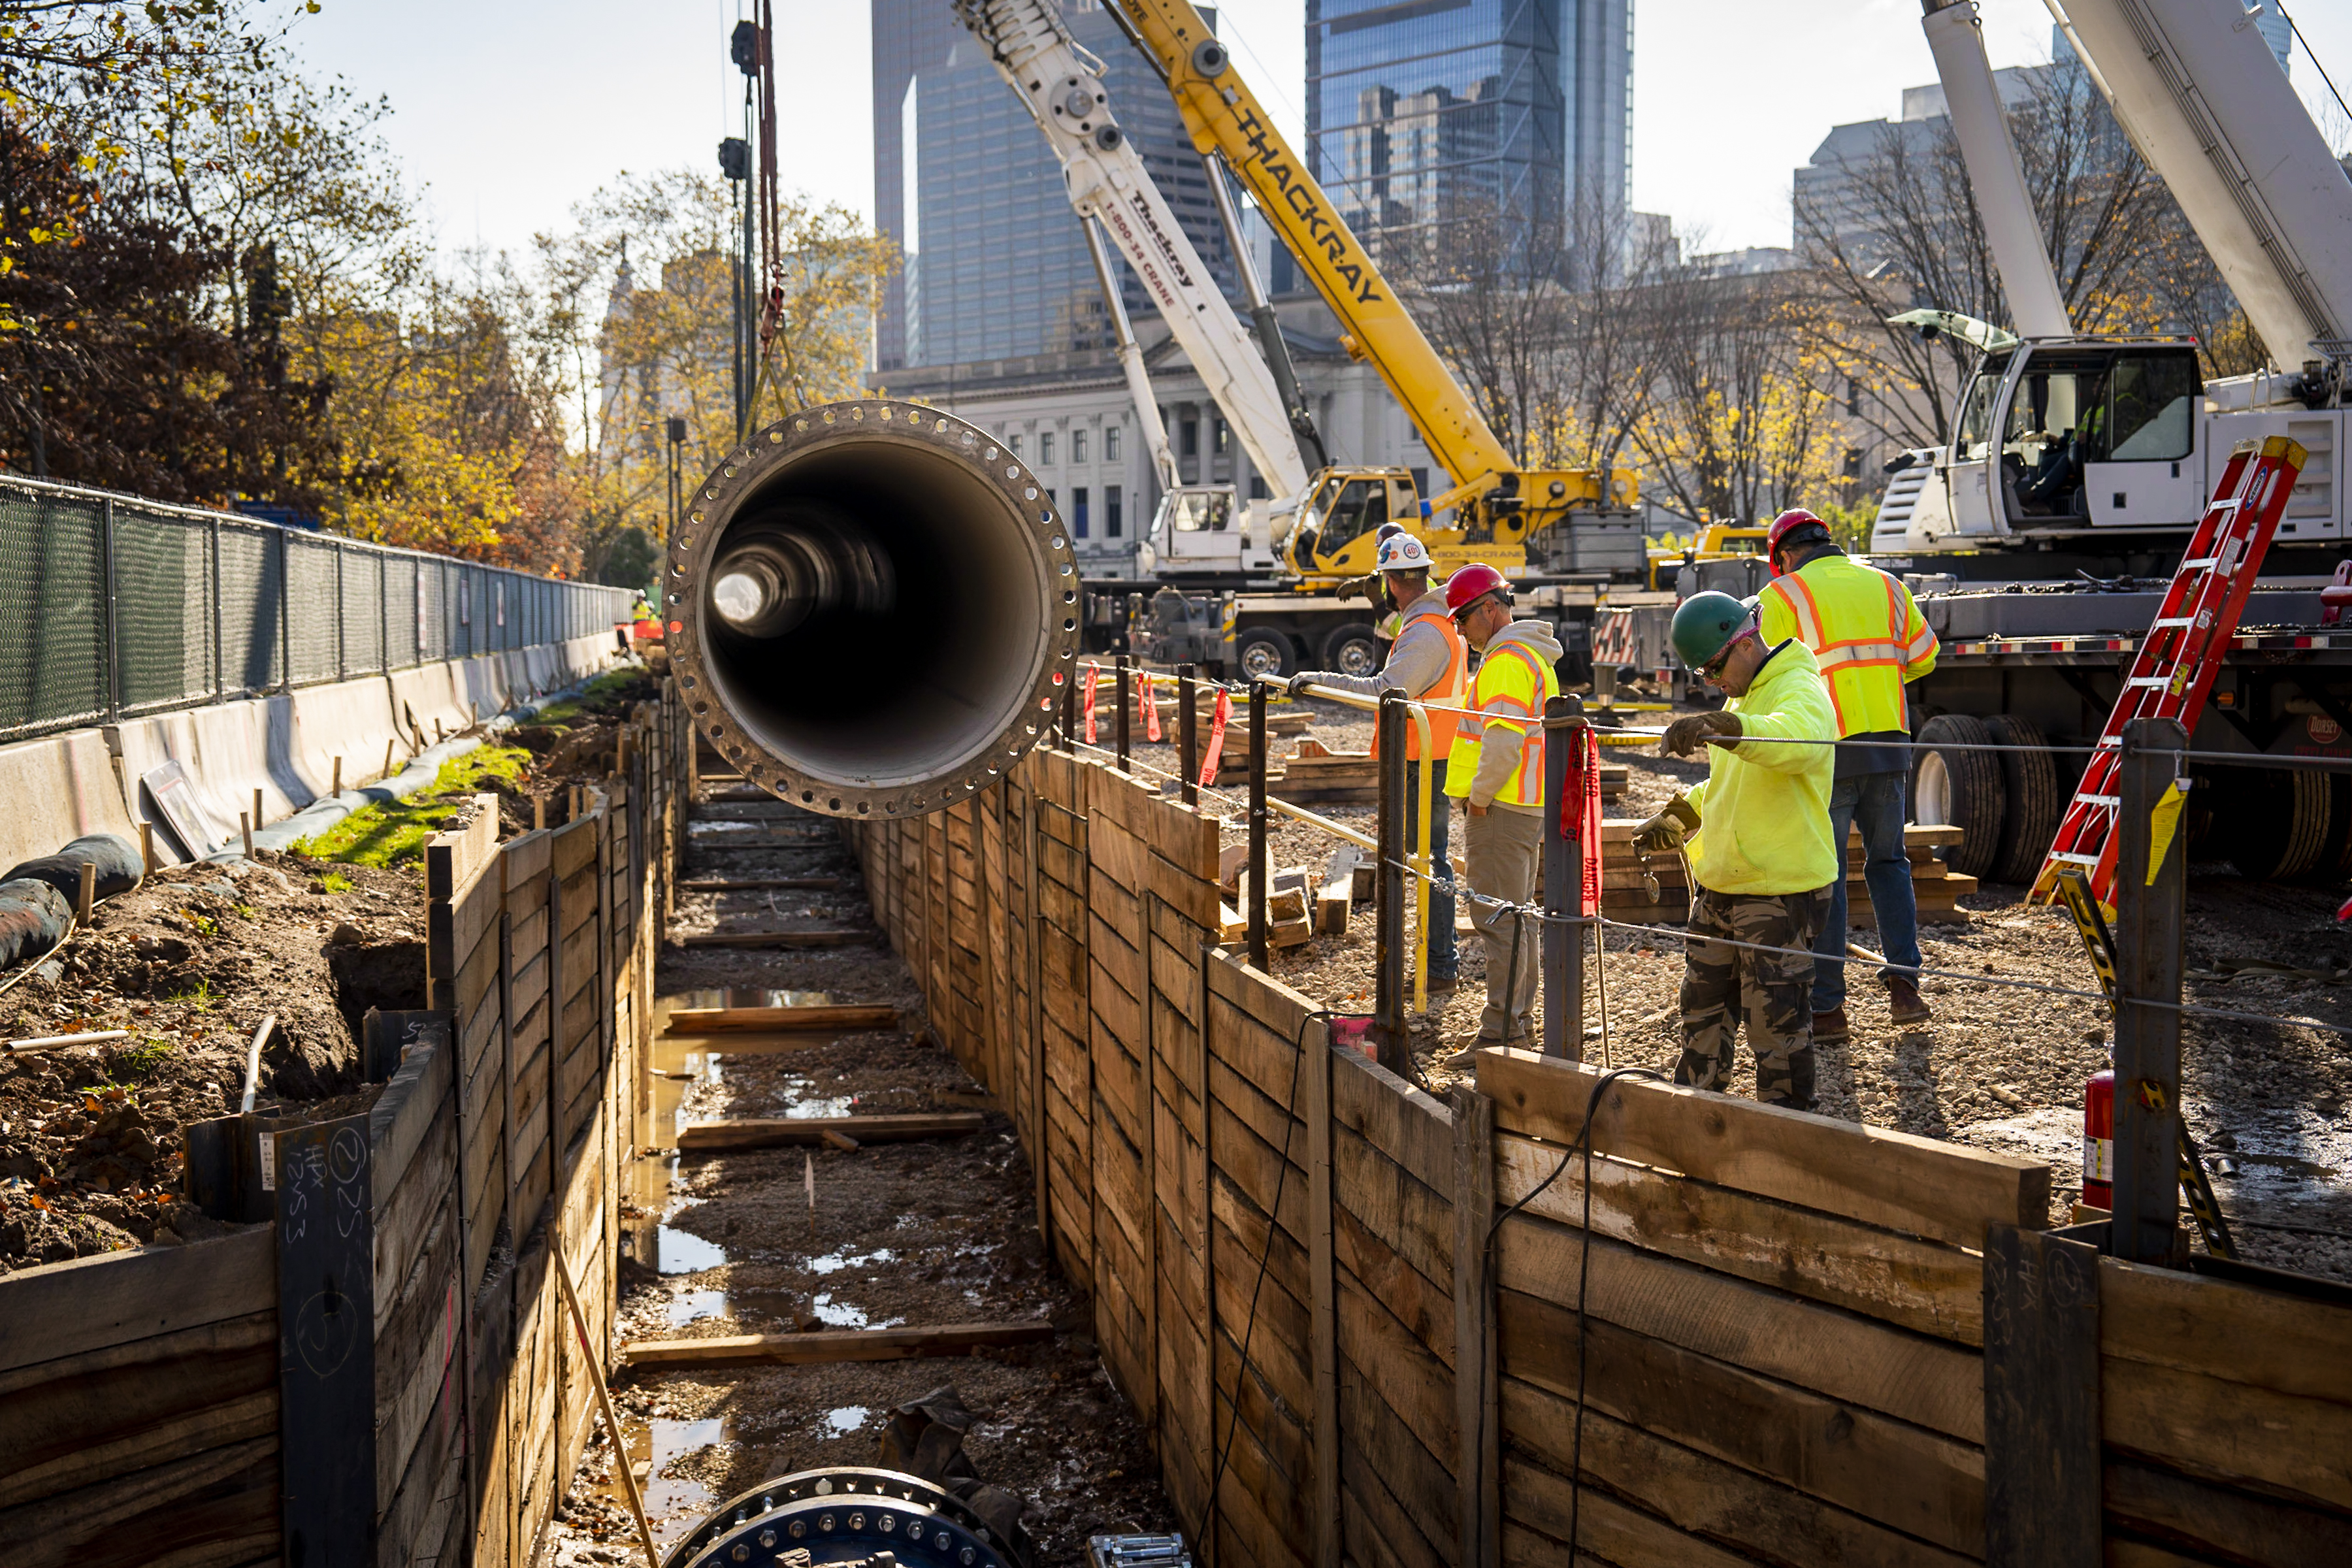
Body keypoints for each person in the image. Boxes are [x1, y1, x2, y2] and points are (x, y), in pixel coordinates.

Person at [1635, 591, 1838, 1111]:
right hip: (1723, 888)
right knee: (1701, 1017)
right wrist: (1681, 815)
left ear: (1744, 642)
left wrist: (1730, 728)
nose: (1712, 681)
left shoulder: (1799, 687)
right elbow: (1729, 785)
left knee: (1777, 1034)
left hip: (1779, 893)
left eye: (1713, 667)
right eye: (1703, 673)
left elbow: (1797, 741)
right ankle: (1696, 1123)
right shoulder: (1741, 699)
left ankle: (1788, 1142)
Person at [1756, 509, 1938, 1041]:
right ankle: (1906, 989)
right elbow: (1925, 658)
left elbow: (1764, 678)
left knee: (1827, 876)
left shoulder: (1784, 595)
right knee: (1890, 864)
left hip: (1826, 749)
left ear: (1784, 556)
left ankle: (1831, 1010)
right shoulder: (1888, 586)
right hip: (1890, 744)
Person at [1287, 532, 1469, 986]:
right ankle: (1437, 962)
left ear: (1389, 581)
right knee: (1424, 859)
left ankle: (1441, 966)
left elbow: (1383, 690)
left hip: (1425, 759)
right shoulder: (1431, 619)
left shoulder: (1428, 630)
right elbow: (1403, 656)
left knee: (1429, 861)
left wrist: (1315, 680)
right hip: (1430, 755)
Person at [1439, 563, 1560, 1061]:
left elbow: (1503, 741)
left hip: (1501, 808)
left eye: (1463, 621)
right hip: (1521, 805)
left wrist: (1480, 798)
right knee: (1517, 919)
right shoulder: (1530, 656)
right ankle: (1516, 1026)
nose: (1462, 633)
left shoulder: (1508, 661)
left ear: (1490, 609)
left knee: (1498, 920)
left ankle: (1501, 1034)